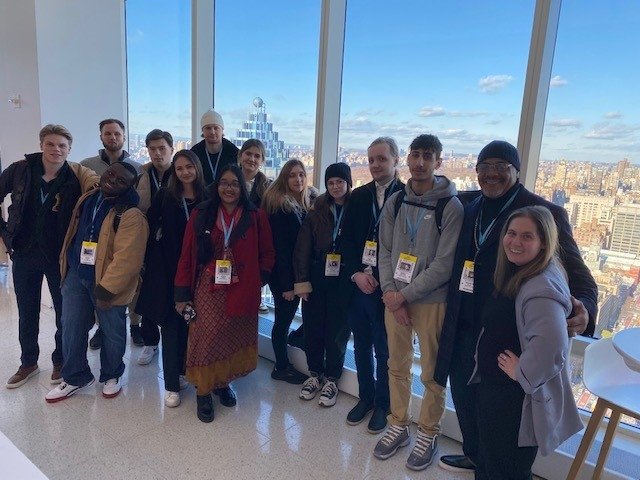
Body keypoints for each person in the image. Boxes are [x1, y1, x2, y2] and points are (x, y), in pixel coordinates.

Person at [435, 140, 598, 473]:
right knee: (466, 407)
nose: (492, 175)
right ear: (476, 171)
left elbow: (581, 279)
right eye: (485, 167)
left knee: (502, 428)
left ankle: (495, 466)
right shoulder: (467, 206)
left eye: (501, 167)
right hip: (464, 332)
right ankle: (476, 456)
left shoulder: (543, 214)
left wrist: (585, 308)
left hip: (508, 345)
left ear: (517, 170)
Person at [470, 206, 583, 479]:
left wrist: (522, 371)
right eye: (511, 233)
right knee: (493, 463)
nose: (515, 242)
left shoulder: (539, 287)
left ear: (543, 242)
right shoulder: (521, 271)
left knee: (507, 469)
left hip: (511, 402)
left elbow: (553, 348)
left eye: (527, 236)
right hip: (496, 392)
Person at [374, 134, 463, 472]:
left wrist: (404, 295)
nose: (421, 162)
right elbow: (383, 249)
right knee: (395, 364)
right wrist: (391, 293)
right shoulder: (396, 200)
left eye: (429, 156)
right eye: (416, 155)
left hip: (430, 300)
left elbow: (445, 264)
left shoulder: (450, 207)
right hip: (394, 297)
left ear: (439, 161)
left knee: (431, 372)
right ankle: (399, 422)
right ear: (407, 160)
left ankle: (428, 431)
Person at [174, 164, 274, 422]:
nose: (229, 188)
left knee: (230, 336)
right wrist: (181, 294)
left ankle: (221, 383)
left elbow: (267, 254)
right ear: (216, 186)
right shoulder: (201, 214)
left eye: (235, 184)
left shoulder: (255, 216)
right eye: (224, 183)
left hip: (242, 287)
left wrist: (256, 280)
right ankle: (203, 392)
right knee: (206, 337)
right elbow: (186, 254)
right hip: (207, 287)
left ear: (242, 187)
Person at [1, 124, 99, 388]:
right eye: (51, 144)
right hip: (23, 253)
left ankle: (60, 359)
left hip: (59, 256)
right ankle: (28, 362)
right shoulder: (20, 170)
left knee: (63, 312)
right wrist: (6, 235)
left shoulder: (74, 178)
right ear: (42, 144)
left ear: (69, 149)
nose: (56, 150)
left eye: (62, 146)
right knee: (27, 310)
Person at [45, 162, 148, 402]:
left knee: (112, 330)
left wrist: (106, 290)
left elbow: (128, 259)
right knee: (71, 326)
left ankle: (112, 374)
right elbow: (82, 170)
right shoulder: (91, 194)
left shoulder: (131, 214)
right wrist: (53, 154)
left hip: (106, 282)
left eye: (121, 180)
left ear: (129, 186)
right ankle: (74, 376)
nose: (112, 180)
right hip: (75, 274)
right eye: (110, 173)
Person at [340, 137, 405, 433]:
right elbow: (348, 240)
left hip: (388, 289)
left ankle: (383, 404)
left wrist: (389, 282)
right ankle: (365, 397)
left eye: (382, 159)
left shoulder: (406, 196)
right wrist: (356, 273)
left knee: (385, 349)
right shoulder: (359, 195)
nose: (376, 165)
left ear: (395, 160)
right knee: (362, 345)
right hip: (359, 285)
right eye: (371, 160)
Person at [135, 150, 208, 407]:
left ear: (197, 168)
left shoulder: (208, 196)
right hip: (168, 270)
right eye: (179, 168)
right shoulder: (167, 195)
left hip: (200, 272)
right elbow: (150, 222)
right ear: (174, 172)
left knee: (193, 326)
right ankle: (172, 385)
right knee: (171, 326)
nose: (185, 172)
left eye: (189, 167)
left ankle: (188, 372)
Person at [293, 163, 352, 407]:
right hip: (317, 275)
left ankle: (332, 379)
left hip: (345, 278)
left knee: (338, 331)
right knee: (314, 326)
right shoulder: (316, 210)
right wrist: (302, 281)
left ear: (348, 183)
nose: (336, 186)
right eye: (331, 182)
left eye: (340, 181)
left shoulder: (356, 209)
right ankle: (314, 374)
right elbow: (302, 248)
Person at [80, 118, 142, 350]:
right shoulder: (88, 165)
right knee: (100, 278)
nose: (113, 137)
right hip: (96, 236)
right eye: (108, 134)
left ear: (124, 137)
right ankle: (101, 327)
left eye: (117, 133)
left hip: (125, 232)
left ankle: (135, 324)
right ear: (101, 137)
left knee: (130, 281)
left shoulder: (138, 168)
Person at [262, 159, 317, 384]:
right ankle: (281, 366)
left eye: (302, 175)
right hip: (283, 276)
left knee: (307, 316)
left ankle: (295, 339)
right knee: (283, 320)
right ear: (285, 178)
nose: (298, 179)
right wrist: (287, 286)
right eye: (293, 175)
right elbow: (281, 249)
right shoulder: (281, 208)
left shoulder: (304, 204)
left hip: (298, 275)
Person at [134, 128, 174, 363]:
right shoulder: (141, 175)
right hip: (147, 240)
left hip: (172, 242)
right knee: (147, 290)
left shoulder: (181, 173)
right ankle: (150, 341)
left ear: (171, 149)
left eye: (162, 149)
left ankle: (173, 342)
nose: (157, 154)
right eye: (152, 149)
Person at [238, 139, 273, 314]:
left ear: (262, 161)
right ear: (240, 155)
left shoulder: (269, 188)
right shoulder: (228, 180)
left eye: (257, 156)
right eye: (248, 154)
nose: (252, 159)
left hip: (255, 240)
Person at [190, 109, 239, 185]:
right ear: (202, 131)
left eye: (216, 128)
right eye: (208, 128)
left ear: (222, 130)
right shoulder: (194, 153)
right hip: (201, 194)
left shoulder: (234, 152)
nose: (212, 132)